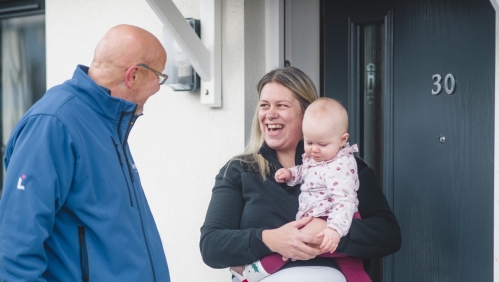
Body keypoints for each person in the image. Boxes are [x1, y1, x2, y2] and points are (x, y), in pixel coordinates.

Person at [0, 24, 171, 281]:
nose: (159, 87)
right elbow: (16, 247)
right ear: (133, 75)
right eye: (159, 76)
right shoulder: (55, 123)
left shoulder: (107, 122)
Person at [200, 66, 401, 282]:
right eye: (264, 105)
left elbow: (388, 235)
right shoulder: (239, 170)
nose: (270, 114)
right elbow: (211, 245)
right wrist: (269, 239)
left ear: (306, 113)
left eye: (281, 105)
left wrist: (329, 232)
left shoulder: (346, 167)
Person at [230, 97, 369, 282]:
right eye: (309, 143)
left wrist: (334, 229)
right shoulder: (316, 159)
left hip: (332, 219)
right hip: (321, 220)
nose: (314, 150)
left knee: (289, 249)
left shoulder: (343, 165)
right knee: (351, 268)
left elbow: (345, 201)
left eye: (322, 144)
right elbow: (306, 171)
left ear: (343, 140)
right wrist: (290, 174)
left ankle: (253, 273)